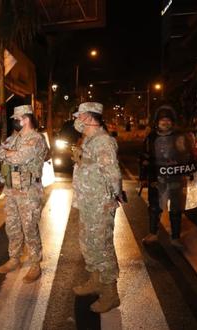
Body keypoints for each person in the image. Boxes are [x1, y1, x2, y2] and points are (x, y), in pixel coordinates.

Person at [71, 102, 123, 313]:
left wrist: (113, 198)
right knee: (89, 242)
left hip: (100, 203)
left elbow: (113, 174)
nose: (77, 120)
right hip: (88, 202)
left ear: (90, 118)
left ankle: (111, 293)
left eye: (79, 116)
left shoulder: (103, 142)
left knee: (103, 246)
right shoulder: (89, 140)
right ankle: (95, 280)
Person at [0, 105, 48, 283]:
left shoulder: (37, 139)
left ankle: (35, 264)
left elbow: (19, 158)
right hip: (11, 188)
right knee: (12, 226)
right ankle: (14, 259)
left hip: (28, 190)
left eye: (17, 119)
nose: (15, 122)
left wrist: (10, 153)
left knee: (29, 227)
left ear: (25, 119)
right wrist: (11, 152)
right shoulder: (14, 138)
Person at [140, 105, 195, 249]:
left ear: (172, 122)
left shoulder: (179, 137)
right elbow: (144, 157)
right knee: (154, 208)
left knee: (176, 209)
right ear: (157, 122)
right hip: (156, 179)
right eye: (162, 120)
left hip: (175, 178)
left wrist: (187, 165)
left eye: (168, 120)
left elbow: (188, 156)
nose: (165, 122)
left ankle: (175, 237)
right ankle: (153, 234)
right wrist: (143, 176)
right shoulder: (151, 137)